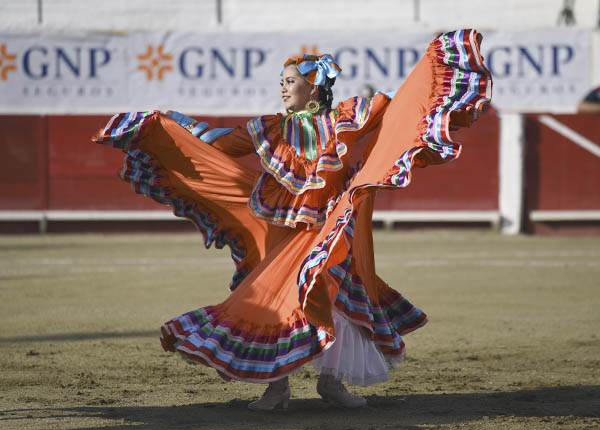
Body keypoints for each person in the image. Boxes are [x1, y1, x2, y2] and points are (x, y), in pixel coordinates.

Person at [93, 29, 492, 410]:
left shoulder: (347, 117)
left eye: (290, 81)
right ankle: (277, 388)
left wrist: (434, 68)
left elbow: (401, 107)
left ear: (313, 87)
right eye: (281, 82)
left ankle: (331, 381)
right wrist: (172, 122)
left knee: (334, 296)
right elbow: (218, 143)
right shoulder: (270, 127)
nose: (283, 88)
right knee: (274, 300)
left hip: (331, 227)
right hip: (279, 231)